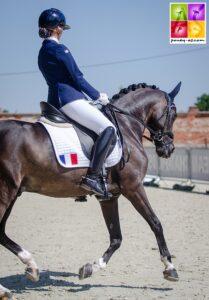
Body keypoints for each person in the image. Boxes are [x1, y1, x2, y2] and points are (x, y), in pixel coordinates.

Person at [38, 8, 117, 197]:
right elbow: (77, 78)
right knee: (108, 129)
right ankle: (93, 177)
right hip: (69, 99)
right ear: (57, 28)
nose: (63, 30)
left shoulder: (42, 52)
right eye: (62, 27)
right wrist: (98, 96)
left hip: (54, 101)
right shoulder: (59, 49)